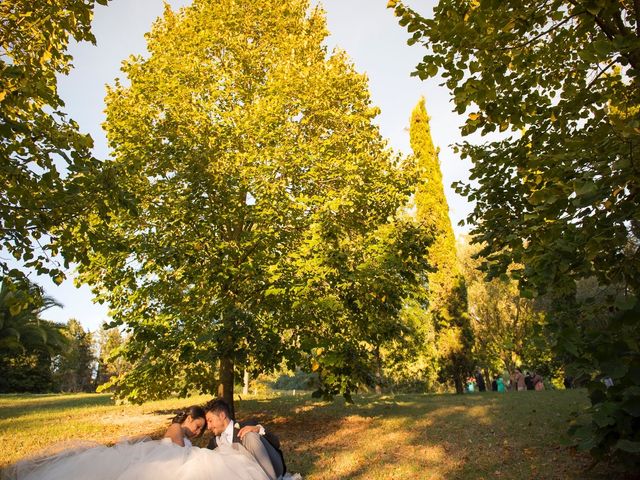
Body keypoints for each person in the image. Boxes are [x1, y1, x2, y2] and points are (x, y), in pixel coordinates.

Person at [7, 405, 271, 480]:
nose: (198, 430)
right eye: (197, 424)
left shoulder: (187, 435)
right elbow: (178, 452)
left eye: (202, 428)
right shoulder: (176, 428)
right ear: (188, 418)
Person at [205, 398, 285, 480]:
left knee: (250, 436)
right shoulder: (213, 443)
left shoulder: (249, 425)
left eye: (210, 421)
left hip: (273, 468)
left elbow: (276, 443)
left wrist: (258, 429)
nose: (208, 427)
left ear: (222, 415)